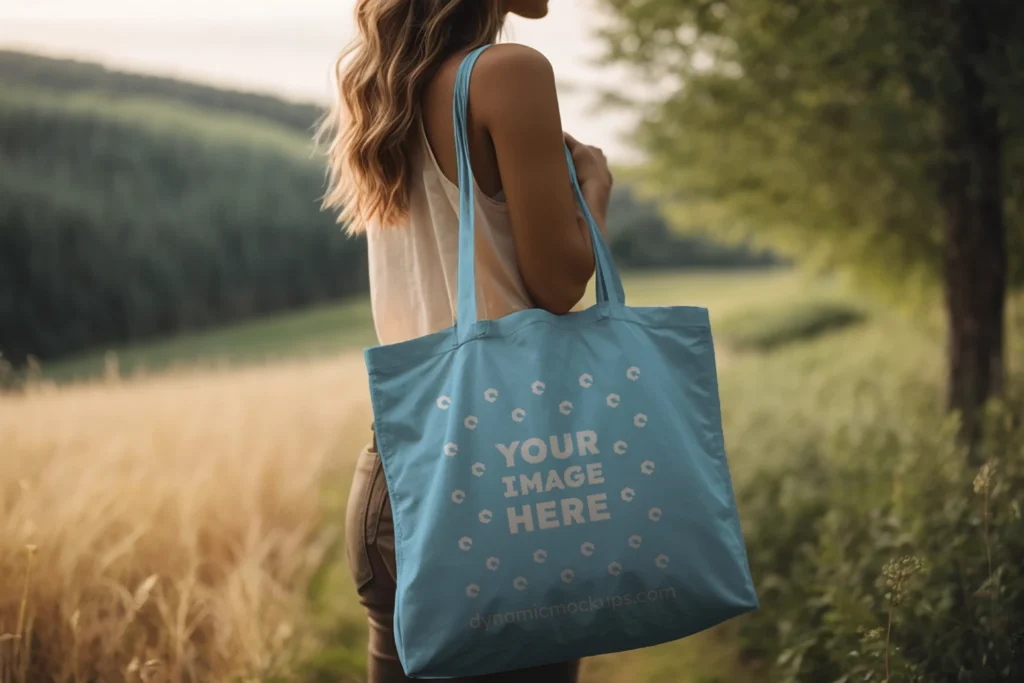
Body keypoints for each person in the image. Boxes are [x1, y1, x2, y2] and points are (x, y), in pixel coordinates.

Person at [320, 1, 614, 680]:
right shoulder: (509, 73)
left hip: (396, 480)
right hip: (510, 473)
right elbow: (559, 283)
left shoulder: (382, 83)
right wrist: (593, 192)